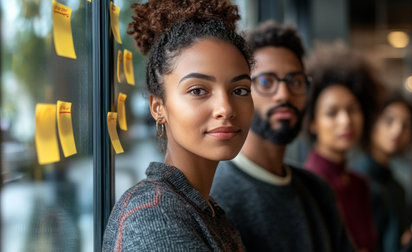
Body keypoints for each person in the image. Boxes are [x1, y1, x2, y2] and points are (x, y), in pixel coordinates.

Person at [102, 0, 254, 251]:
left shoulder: (207, 211)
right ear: (158, 107)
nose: (225, 108)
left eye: (239, 90)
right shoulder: (152, 215)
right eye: (198, 90)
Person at [211, 21, 355, 252]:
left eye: (294, 81)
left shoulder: (318, 191)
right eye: (267, 82)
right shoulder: (216, 197)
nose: (284, 94)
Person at [302, 43, 380, 252]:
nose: (345, 120)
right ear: (312, 121)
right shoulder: (306, 186)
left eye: (352, 109)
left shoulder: (360, 185)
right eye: (332, 112)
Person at [352, 92, 412, 252]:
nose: (397, 130)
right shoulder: (357, 181)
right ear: (373, 123)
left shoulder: (398, 188)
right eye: (389, 121)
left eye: (405, 125)